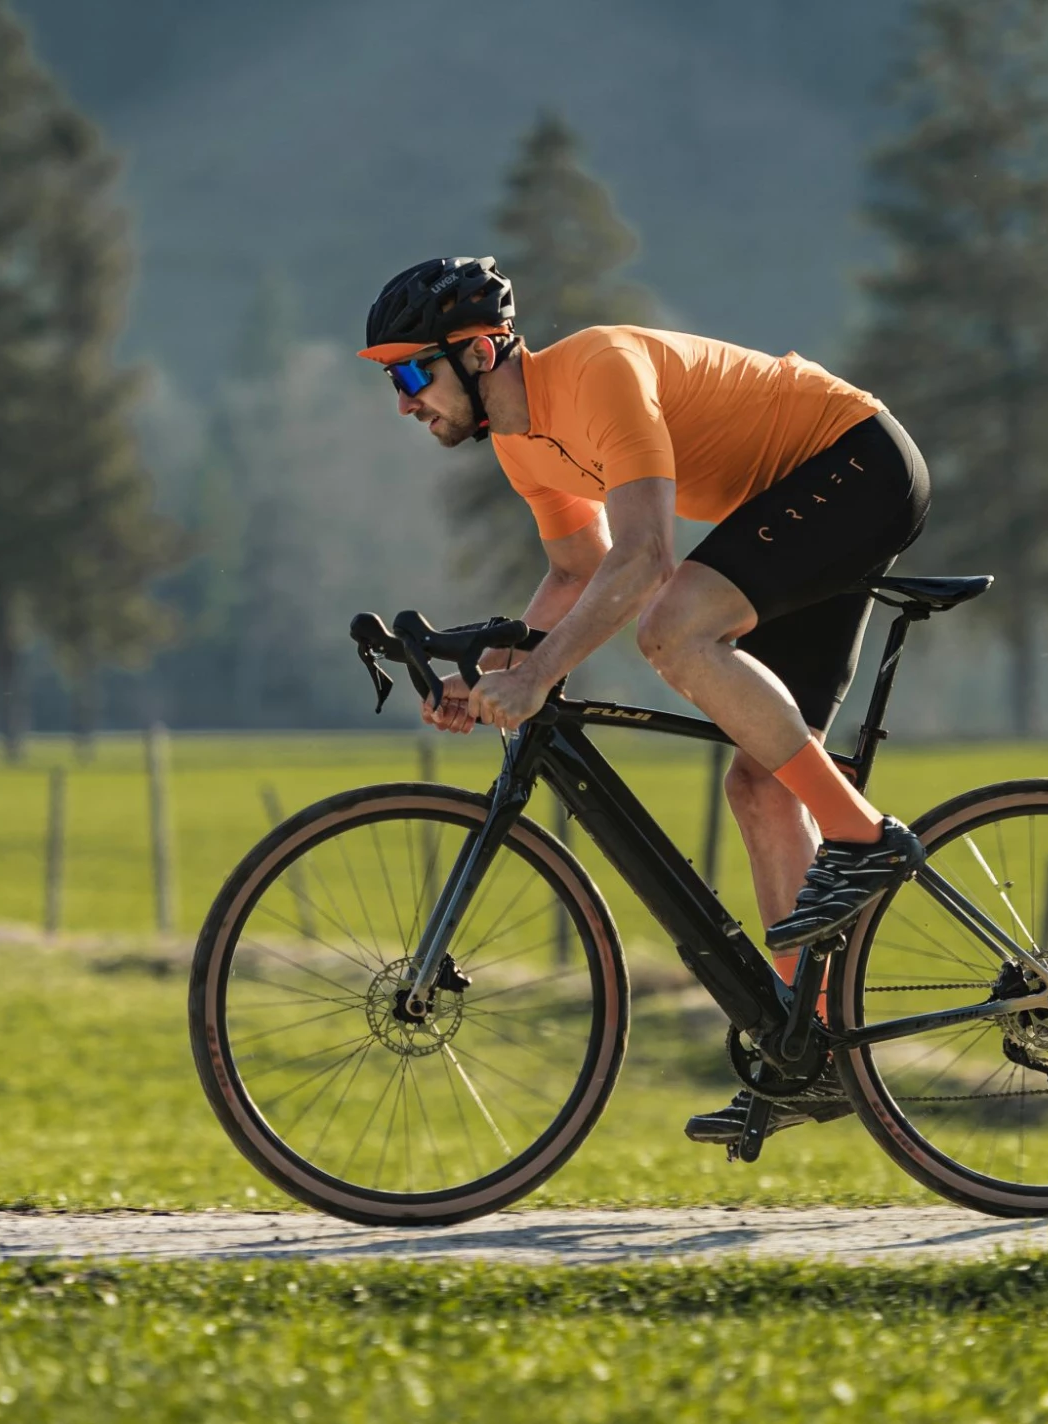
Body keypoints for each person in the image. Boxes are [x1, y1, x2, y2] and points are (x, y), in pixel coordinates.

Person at [360, 256, 932, 1144]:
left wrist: (539, 672)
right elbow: (575, 570)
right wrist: (489, 680)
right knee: (759, 786)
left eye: (409, 372)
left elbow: (642, 561)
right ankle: (805, 1047)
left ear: (476, 351)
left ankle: (862, 837)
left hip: (854, 460)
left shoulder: (597, 371)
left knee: (671, 626)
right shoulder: (521, 443)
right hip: (793, 501)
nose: (401, 401)